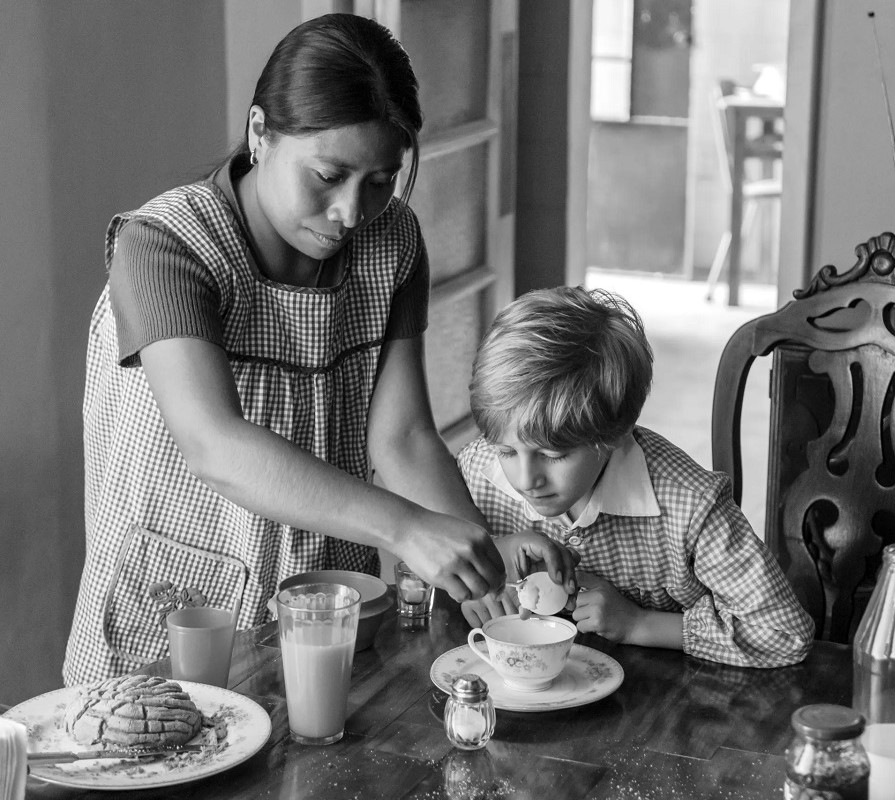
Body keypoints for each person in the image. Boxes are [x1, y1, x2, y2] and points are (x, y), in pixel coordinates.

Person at [64, 14, 570, 686]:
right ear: (259, 134)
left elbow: (405, 438)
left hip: (326, 606)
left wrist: (477, 552)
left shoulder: (392, 244)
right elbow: (214, 446)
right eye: (328, 175)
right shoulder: (164, 247)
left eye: (380, 180)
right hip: (175, 608)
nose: (352, 212)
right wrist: (404, 529)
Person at [457, 287, 815, 668]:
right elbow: (420, 563)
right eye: (507, 451)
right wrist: (478, 579)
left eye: (553, 455)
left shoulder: (688, 505)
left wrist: (639, 624)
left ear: (614, 432)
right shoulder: (478, 470)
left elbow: (784, 633)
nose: (526, 479)